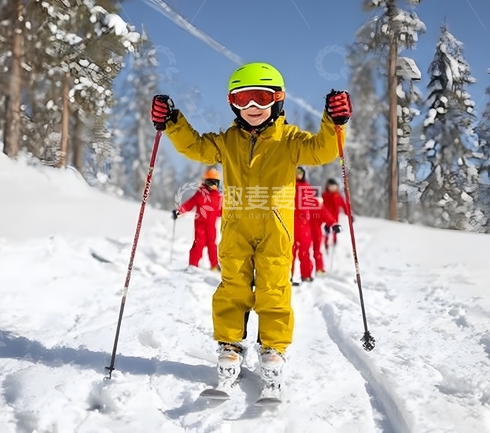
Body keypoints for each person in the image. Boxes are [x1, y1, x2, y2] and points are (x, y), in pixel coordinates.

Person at [149, 62, 352, 395]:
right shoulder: (227, 140)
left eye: (260, 97)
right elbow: (195, 147)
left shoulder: (291, 140)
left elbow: (324, 149)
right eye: (242, 99)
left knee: (274, 289)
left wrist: (335, 122)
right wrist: (172, 123)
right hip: (236, 228)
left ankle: (272, 348)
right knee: (233, 288)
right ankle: (230, 345)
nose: (252, 107)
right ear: (233, 103)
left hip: (276, 230)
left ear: (278, 99)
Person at [172, 168, 223, 271]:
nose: (212, 185)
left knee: (212, 246)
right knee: (198, 245)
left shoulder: (218, 197)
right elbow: (189, 204)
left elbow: (222, 211)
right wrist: (179, 212)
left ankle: (214, 266)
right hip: (200, 226)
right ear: (205, 182)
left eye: (215, 182)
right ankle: (193, 266)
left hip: (211, 227)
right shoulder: (200, 194)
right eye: (210, 182)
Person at [310, 194, 341, 276]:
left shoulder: (313, 203)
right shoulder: (315, 203)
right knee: (312, 251)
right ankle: (314, 271)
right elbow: (325, 214)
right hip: (309, 231)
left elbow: (324, 214)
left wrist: (333, 223)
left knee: (315, 251)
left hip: (313, 231)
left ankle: (317, 270)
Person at [321, 178, 349, 250]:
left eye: (334, 186)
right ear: (328, 186)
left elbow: (344, 205)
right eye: (331, 186)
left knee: (335, 230)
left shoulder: (339, 196)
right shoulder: (324, 195)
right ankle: (326, 242)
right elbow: (321, 206)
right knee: (327, 230)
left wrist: (348, 214)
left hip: (335, 217)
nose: (332, 188)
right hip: (327, 217)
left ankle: (335, 241)